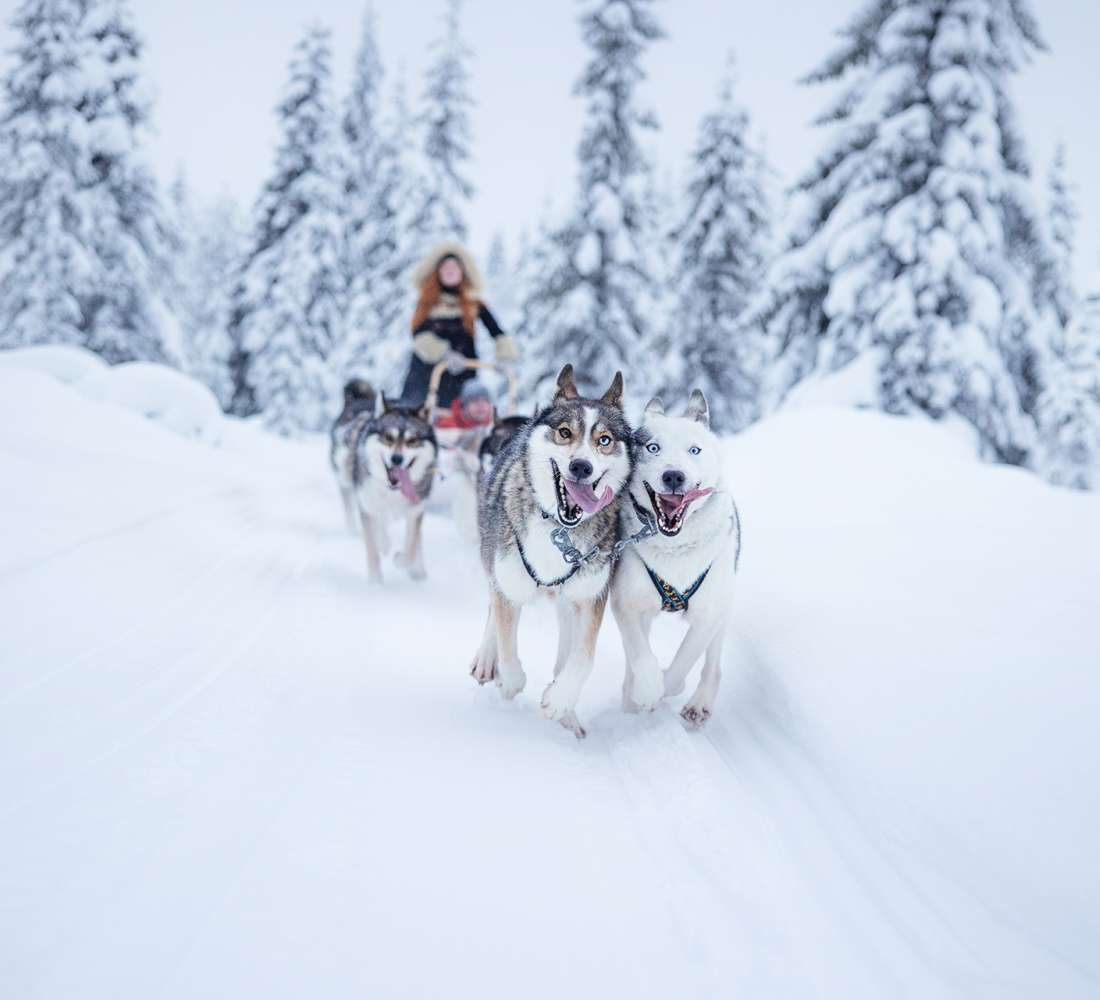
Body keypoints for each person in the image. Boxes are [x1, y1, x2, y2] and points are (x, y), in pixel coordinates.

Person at [400, 242, 518, 409]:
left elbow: (497, 332)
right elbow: (418, 335)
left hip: (463, 378)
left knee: (465, 421)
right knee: (419, 419)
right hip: (426, 377)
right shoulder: (427, 303)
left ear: (462, 272)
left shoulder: (473, 304)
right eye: (446, 267)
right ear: (438, 272)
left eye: (455, 267)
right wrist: (445, 354)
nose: (450, 271)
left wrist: (504, 357)